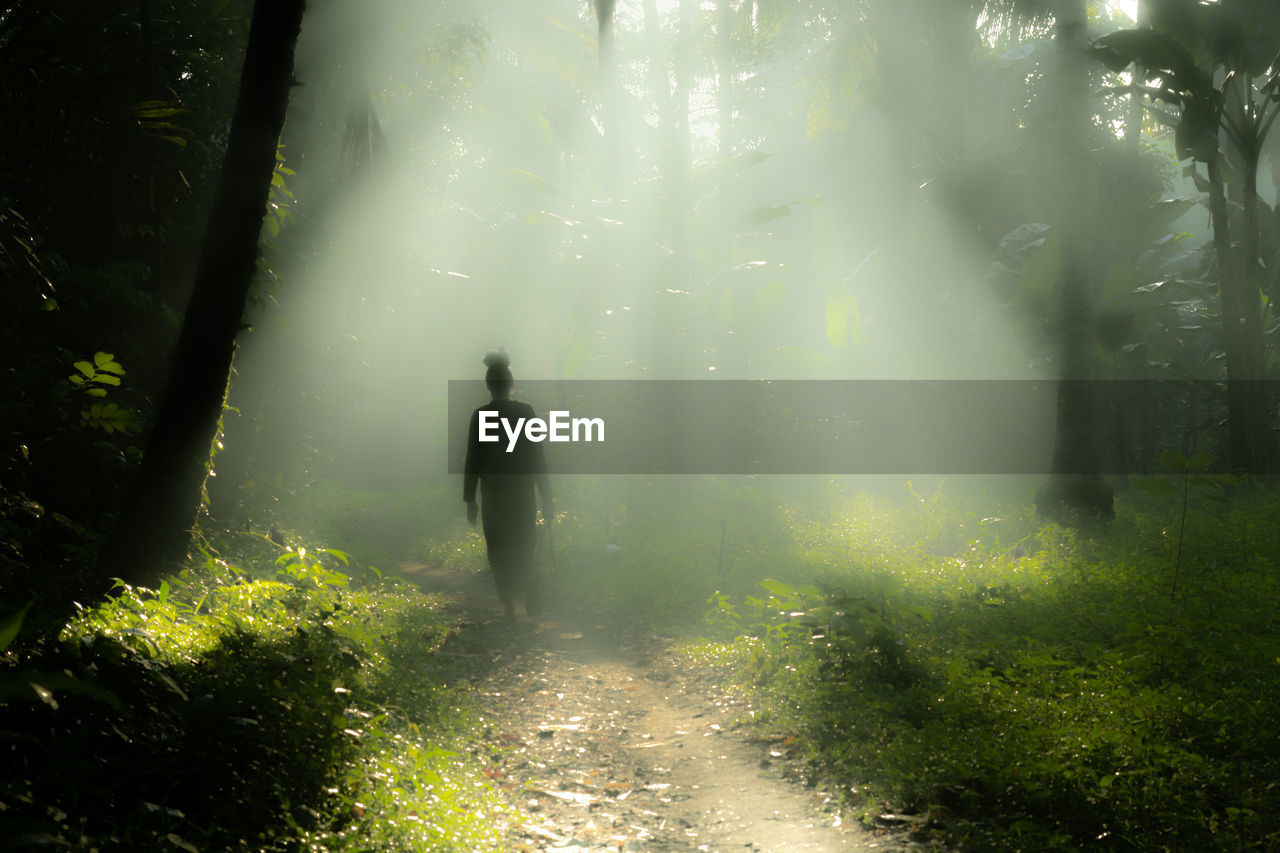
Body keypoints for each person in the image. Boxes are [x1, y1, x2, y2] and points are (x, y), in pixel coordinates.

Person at [463, 350, 553, 620]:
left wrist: (470, 499)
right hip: (522, 495)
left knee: (499, 548)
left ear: (488, 386)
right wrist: (547, 495)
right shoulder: (525, 412)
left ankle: (509, 606)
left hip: (494, 495)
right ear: (511, 385)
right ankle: (531, 583)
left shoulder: (480, 416)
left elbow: (473, 461)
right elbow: (537, 458)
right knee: (525, 542)